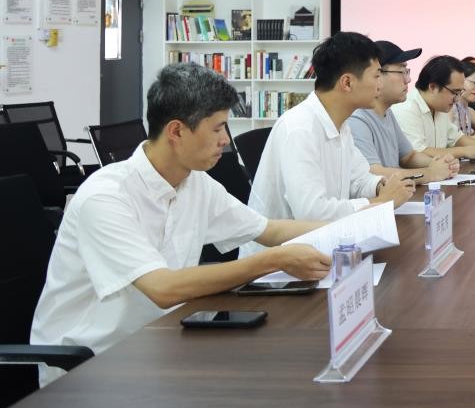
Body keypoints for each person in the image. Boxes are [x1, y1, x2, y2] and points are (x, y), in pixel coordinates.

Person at [30, 64, 332, 384]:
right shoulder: (105, 198)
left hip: (161, 342)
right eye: (217, 129)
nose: (225, 140)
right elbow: (163, 288)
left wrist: (354, 226)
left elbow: (269, 230)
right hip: (90, 367)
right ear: (176, 131)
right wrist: (273, 260)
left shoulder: (195, 183)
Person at [249, 31, 414, 221]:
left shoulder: (341, 124)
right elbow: (312, 212)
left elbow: (359, 179)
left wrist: (382, 186)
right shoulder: (300, 128)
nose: (380, 84)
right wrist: (380, 202)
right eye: (376, 76)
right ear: (347, 82)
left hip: (325, 234)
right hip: (292, 239)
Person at [349, 40, 459, 183]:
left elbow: (408, 157)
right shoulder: (357, 118)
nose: (408, 79)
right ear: (377, 75)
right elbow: (373, 173)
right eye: (401, 72)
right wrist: (430, 173)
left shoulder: (387, 113)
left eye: (407, 71)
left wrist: (440, 164)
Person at [392, 54, 475, 160]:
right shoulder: (407, 108)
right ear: (433, 87)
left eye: (460, 93)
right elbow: (416, 153)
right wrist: (464, 151)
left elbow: (456, 138)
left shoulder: (439, 107)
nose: (457, 99)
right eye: (454, 92)